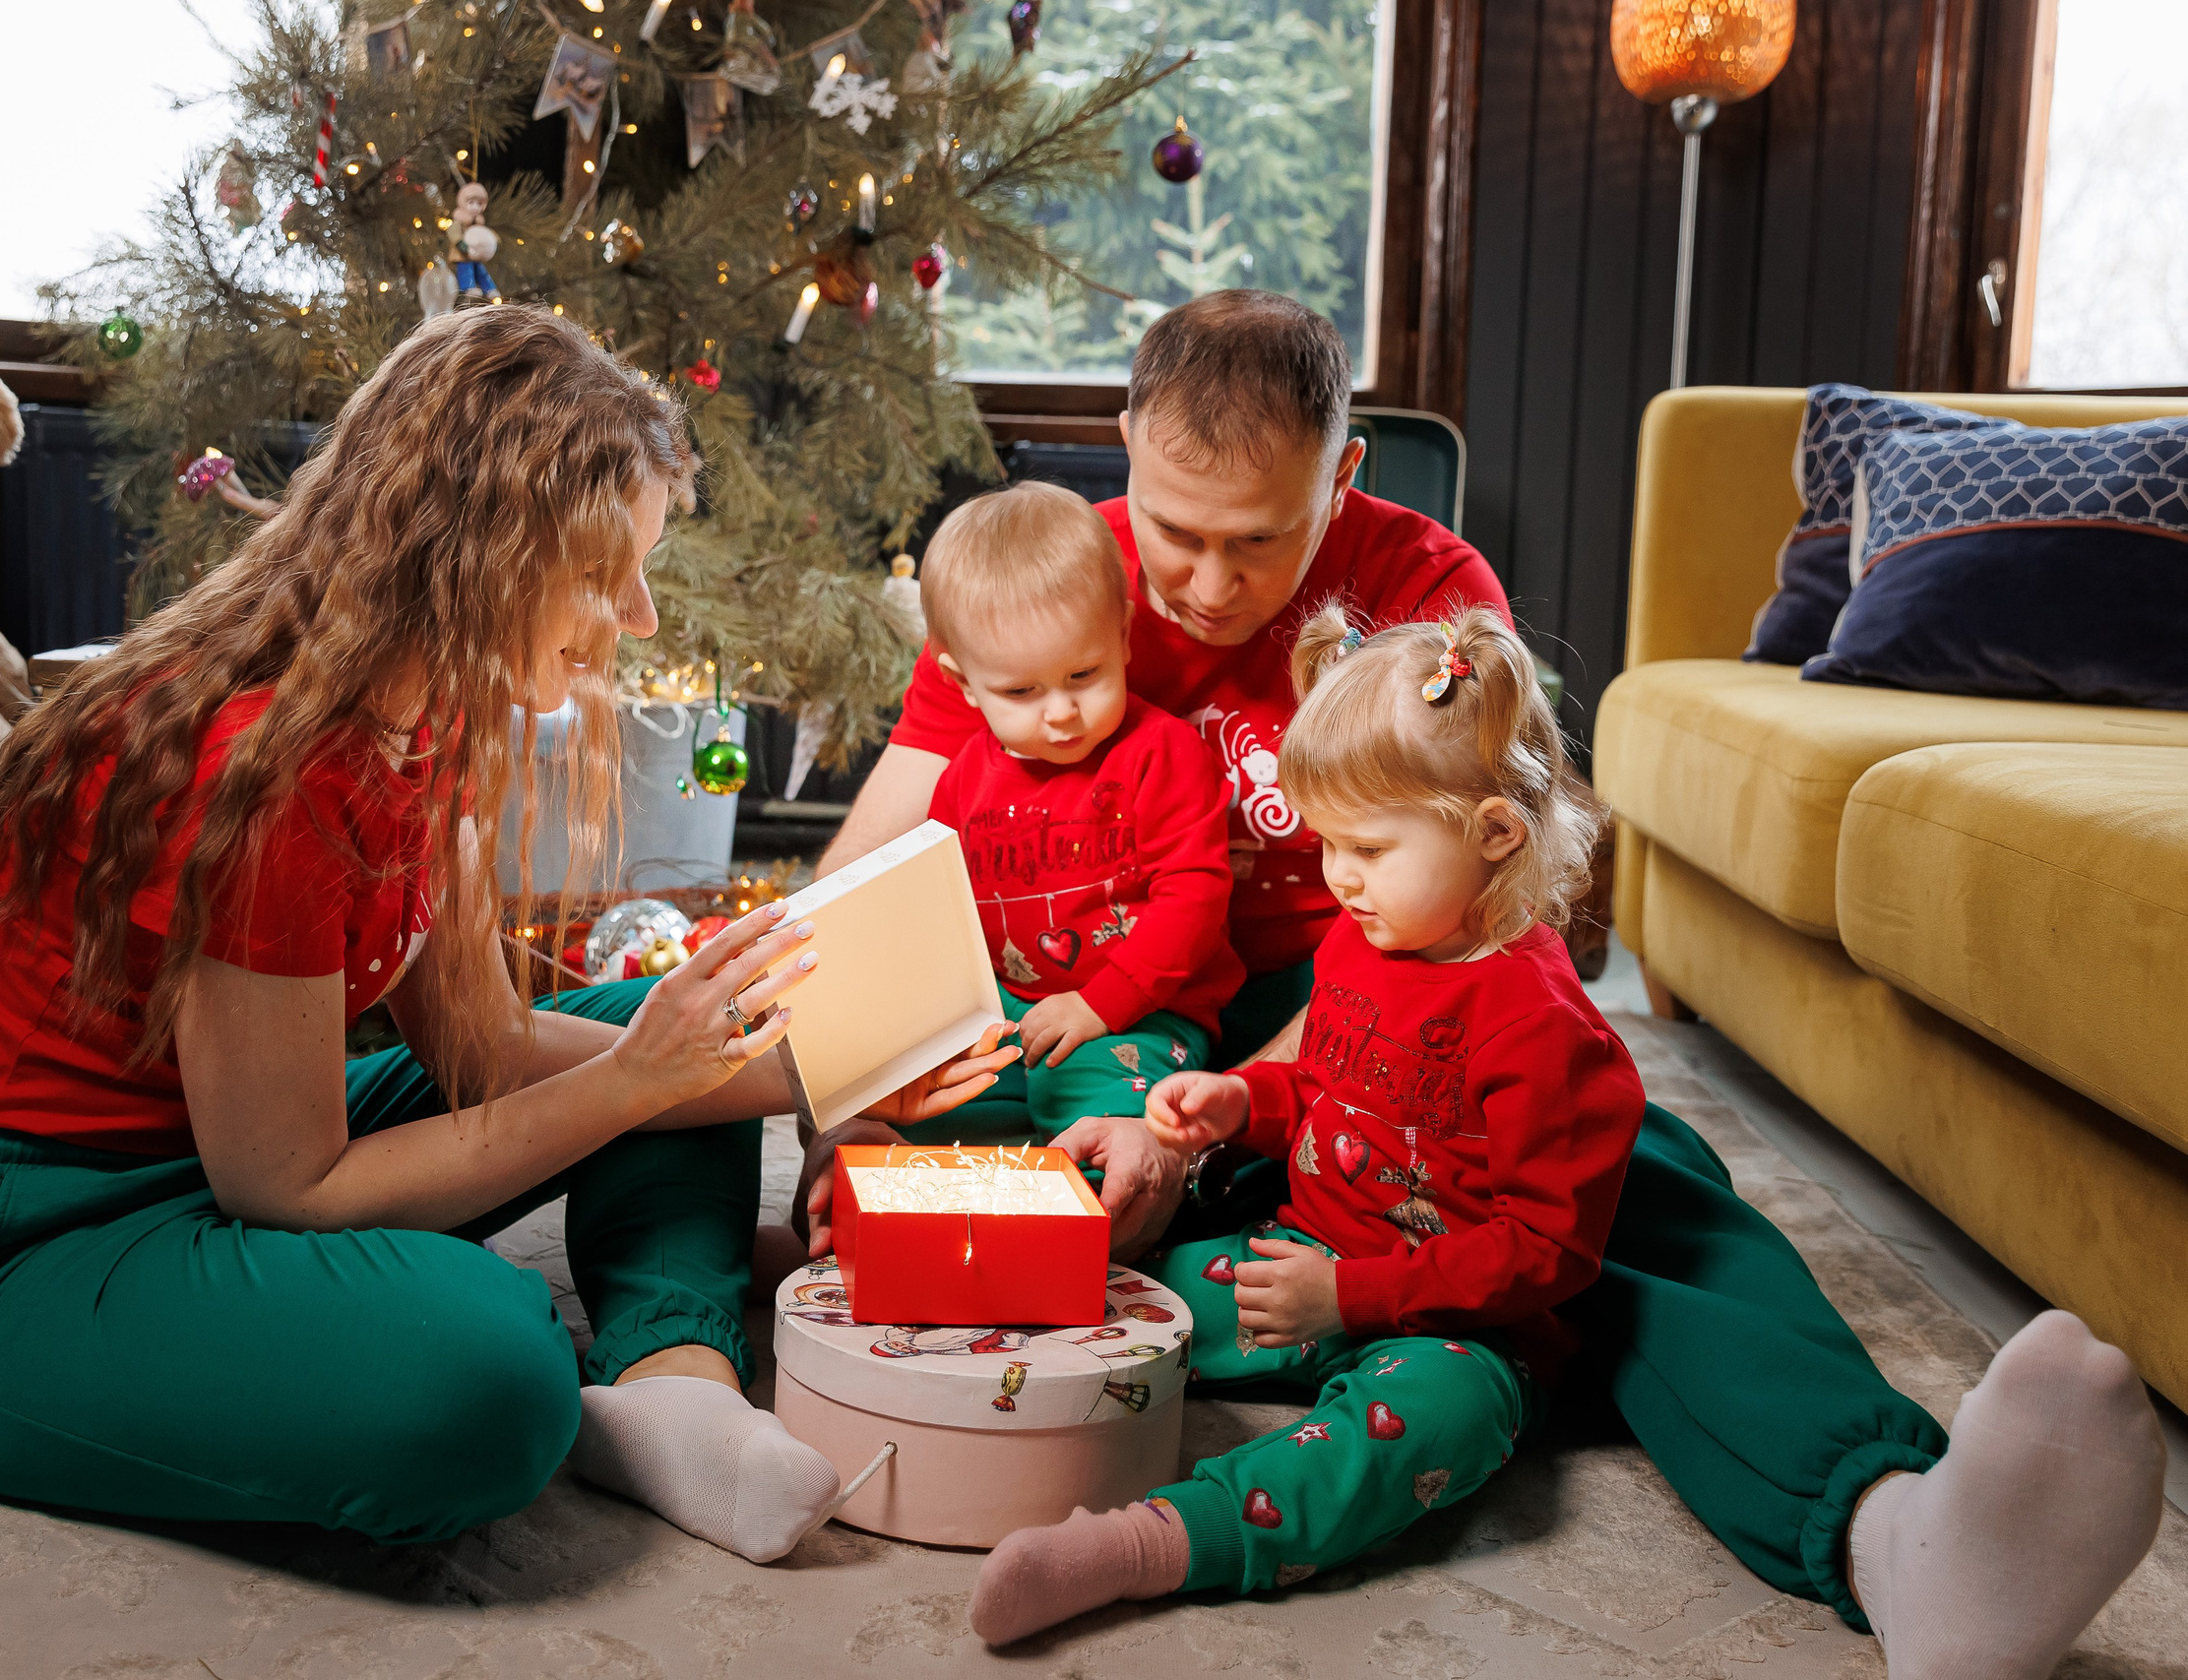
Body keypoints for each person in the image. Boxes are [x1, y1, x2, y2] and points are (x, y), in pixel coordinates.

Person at [814, 290, 2168, 1675]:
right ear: (1124, 454)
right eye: (1176, 533)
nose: (1209, 585)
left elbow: (1487, 914)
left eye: (1259, 540)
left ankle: (1896, 1537)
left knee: (1629, 1184)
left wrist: (1293, 1075)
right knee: (1029, 1145)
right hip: (1130, 1013)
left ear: (1345, 478)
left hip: (1362, 1003)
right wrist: (842, 1067)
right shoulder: (1053, 568)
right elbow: (889, 847)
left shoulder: (1431, 589)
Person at [0, 306, 1015, 1566]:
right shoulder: (266, 776)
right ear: (482, 552)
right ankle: (579, 1358)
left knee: (670, 1036)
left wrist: (795, 1070)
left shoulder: (431, 709)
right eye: (610, 574)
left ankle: (677, 1386)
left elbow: (484, 1047)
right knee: (486, 1372)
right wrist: (635, 1088)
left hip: (223, 1146)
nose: (643, 618)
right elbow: (288, 1187)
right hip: (4, 1244)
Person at [972, 606, 1643, 1644]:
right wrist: (1243, 1106)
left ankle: (1149, 1546)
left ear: (1494, 836)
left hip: (1460, 1338)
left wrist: (1353, 1295)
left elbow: (1545, 1250)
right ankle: (881, 1272)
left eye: (1369, 848)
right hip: (1297, 1267)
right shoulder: (1362, 941)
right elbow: (1332, 1093)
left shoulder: (1543, 1032)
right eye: (1328, 842)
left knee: (1408, 1430)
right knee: (1109, 1285)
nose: (1340, 876)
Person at [907, 481, 1243, 1146]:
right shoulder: (963, 781)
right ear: (962, 683)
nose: (1060, 711)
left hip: (1141, 1009)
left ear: (1122, 637)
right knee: (924, 1101)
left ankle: (1082, 1226)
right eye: (1021, 691)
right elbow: (942, 909)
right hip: (1007, 1008)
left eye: (1083, 675)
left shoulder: (1162, 753)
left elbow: (1194, 901)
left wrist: (1100, 1004)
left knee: (1110, 1124)